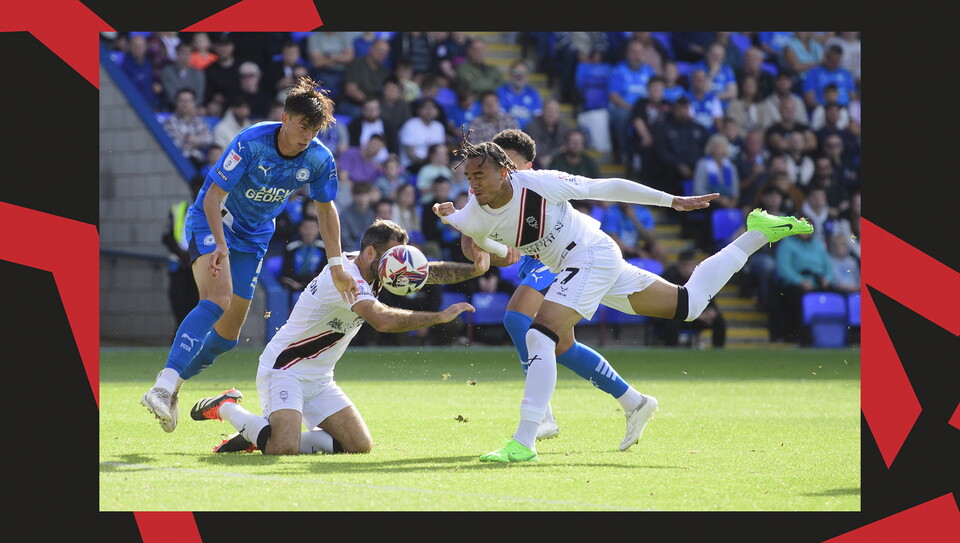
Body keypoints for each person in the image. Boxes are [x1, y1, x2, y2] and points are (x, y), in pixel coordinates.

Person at [433, 133, 813, 462]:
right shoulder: (470, 212)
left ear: (505, 170)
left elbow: (607, 186)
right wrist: (459, 224)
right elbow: (481, 239)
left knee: (538, 334)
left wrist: (671, 201)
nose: (473, 183)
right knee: (689, 304)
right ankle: (759, 234)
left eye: (479, 174)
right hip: (583, 265)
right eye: (468, 177)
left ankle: (525, 439)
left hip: (591, 254)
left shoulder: (540, 183)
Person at [140, 77, 359, 433]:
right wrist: (220, 243)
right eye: (302, 126)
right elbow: (211, 197)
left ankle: (174, 387)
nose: (307, 136)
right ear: (285, 117)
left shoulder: (318, 158)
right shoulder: (251, 142)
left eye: (314, 129)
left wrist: (336, 265)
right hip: (215, 222)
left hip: (255, 235)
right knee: (218, 298)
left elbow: (325, 209)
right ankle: (162, 386)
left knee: (226, 337)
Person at [190, 219, 495, 455]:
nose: (398, 269)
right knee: (283, 447)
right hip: (284, 369)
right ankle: (229, 407)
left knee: (358, 446)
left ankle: (257, 434)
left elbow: (430, 271)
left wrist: (475, 269)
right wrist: (439, 317)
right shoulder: (345, 276)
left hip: (320, 377)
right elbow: (382, 320)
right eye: (391, 258)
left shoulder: (378, 268)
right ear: (371, 253)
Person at [773, 230, 834, 345]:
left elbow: (829, 266)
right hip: (796, 283)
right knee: (797, 297)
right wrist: (800, 281)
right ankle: (802, 335)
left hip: (818, 282)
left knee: (837, 295)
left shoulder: (818, 244)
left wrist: (828, 279)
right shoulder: (787, 244)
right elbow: (784, 268)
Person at [661, 249, 727, 348]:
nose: (687, 269)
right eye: (684, 265)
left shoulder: (701, 278)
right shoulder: (669, 277)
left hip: (697, 317)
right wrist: (693, 314)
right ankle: (671, 349)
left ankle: (718, 351)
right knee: (673, 321)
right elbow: (668, 302)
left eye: (691, 265)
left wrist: (711, 312)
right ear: (678, 265)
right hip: (676, 315)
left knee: (719, 320)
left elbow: (709, 298)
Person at [162, 178, 203, 339]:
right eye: (196, 188)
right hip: (179, 264)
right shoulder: (179, 209)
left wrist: (193, 254)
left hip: (199, 265)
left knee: (196, 302)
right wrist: (181, 253)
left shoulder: (213, 211)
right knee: (177, 299)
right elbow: (167, 236)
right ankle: (180, 333)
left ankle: (190, 336)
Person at [607, 39, 658, 165]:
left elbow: (657, 92)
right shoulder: (618, 70)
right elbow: (613, 96)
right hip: (626, 108)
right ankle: (623, 151)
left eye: (640, 52)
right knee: (621, 115)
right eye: (633, 52)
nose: (637, 56)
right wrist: (631, 108)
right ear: (627, 54)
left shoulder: (649, 71)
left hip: (646, 108)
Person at [650, 96, 710, 196]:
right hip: (672, 170)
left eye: (686, 108)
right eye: (680, 108)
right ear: (674, 109)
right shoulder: (664, 128)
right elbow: (661, 151)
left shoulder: (698, 128)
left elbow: (707, 148)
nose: (683, 112)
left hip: (696, 169)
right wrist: (678, 165)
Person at [278, 215, 327, 303]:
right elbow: (286, 272)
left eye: (313, 228)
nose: (309, 232)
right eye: (306, 228)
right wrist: (294, 283)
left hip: (316, 286)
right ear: (300, 229)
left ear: (319, 230)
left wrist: (305, 284)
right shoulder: (291, 247)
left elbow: (324, 273)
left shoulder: (325, 249)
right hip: (293, 285)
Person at [163, 87, 214, 169]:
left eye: (188, 101)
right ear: (176, 103)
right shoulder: (170, 122)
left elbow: (209, 139)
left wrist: (186, 138)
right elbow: (171, 143)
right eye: (181, 101)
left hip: (198, 162)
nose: (185, 104)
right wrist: (191, 139)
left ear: (194, 103)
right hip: (178, 161)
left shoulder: (200, 122)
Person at [340, 39, 392, 118]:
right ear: (370, 49)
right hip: (353, 104)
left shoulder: (384, 72)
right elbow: (350, 90)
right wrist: (369, 103)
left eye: (385, 52)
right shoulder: (356, 64)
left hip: (375, 106)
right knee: (362, 114)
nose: (383, 54)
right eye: (380, 50)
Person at [802, 45, 857, 114]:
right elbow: (809, 100)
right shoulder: (813, 73)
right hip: (821, 111)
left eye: (837, 61)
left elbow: (853, 98)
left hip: (844, 111)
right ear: (826, 57)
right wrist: (828, 111)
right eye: (832, 60)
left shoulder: (846, 74)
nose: (835, 63)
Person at [305, 31, 356, 101]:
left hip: (343, 73)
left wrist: (329, 56)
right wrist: (340, 59)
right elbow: (317, 62)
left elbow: (349, 58)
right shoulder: (315, 37)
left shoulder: (344, 36)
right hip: (323, 73)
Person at [398, 98, 446, 172]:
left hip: (433, 166)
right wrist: (427, 164)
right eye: (426, 108)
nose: (429, 111)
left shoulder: (439, 127)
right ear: (419, 110)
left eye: (433, 108)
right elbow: (410, 153)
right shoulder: (410, 125)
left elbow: (440, 150)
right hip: (412, 166)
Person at [523, 98, 572, 170]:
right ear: (542, 111)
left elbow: (568, 146)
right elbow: (539, 152)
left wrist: (551, 156)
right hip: (534, 164)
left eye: (555, 111)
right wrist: (559, 150)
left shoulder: (563, 127)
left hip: (557, 164)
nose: (552, 113)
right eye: (549, 110)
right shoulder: (532, 127)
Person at [496, 59, 543, 130]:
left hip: (529, 134)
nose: (519, 76)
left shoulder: (533, 94)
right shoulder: (501, 92)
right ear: (510, 74)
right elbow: (499, 118)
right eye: (516, 73)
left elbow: (538, 119)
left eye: (523, 73)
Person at [160, 40, 206, 113]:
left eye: (188, 54)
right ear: (177, 54)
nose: (185, 56)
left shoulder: (198, 74)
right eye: (182, 53)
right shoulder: (167, 71)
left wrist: (189, 107)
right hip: (172, 108)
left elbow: (199, 96)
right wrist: (183, 106)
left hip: (193, 109)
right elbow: (169, 94)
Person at [121, 33, 163, 110]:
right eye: (135, 46)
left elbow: (154, 83)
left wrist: (157, 86)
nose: (138, 48)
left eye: (140, 46)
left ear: (145, 48)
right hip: (132, 106)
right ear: (130, 47)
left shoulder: (149, 64)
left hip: (150, 104)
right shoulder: (124, 66)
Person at [339, 182, 377, 253]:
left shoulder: (376, 212)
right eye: (358, 194)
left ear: (370, 195)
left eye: (365, 194)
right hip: (350, 253)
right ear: (353, 196)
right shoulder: (345, 214)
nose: (362, 198)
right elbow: (344, 238)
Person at [686, 68, 725, 134]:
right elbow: (688, 120)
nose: (700, 81)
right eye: (697, 78)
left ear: (706, 81)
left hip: (710, 135)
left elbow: (718, 121)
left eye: (702, 79)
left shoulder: (713, 98)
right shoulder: (686, 98)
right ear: (692, 81)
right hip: (693, 134)